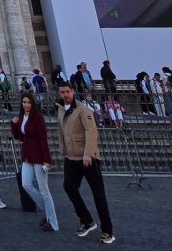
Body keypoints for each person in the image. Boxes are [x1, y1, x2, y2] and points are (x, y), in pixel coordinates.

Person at [56, 83, 115, 245]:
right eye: (62, 92)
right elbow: (61, 131)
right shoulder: (61, 109)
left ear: (73, 92)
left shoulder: (83, 109)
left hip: (88, 158)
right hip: (72, 157)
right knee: (69, 186)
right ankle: (87, 220)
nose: (65, 94)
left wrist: (88, 153)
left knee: (98, 195)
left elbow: (91, 131)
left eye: (68, 91)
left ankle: (107, 231)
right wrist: (63, 150)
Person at [11, 93, 58, 232]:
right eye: (24, 102)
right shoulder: (21, 118)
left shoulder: (38, 118)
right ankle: (47, 212)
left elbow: (43, 139)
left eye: (28, 102)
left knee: (44, 190)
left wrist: (47, 159)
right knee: (26, 184)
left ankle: (53, 223)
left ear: (32, 103)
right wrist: (14, 124)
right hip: (27, 156)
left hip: (38, 156)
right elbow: (19, 136)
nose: (26, 104)